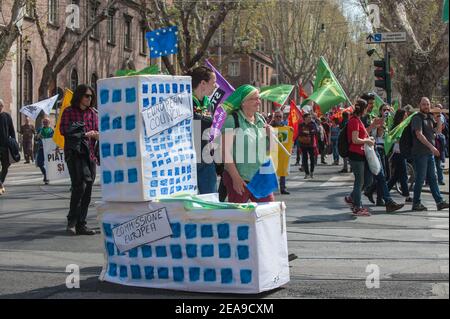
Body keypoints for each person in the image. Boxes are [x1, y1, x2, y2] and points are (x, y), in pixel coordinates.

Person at [221, 85, 274, 203]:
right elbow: (225, 152)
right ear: (243, 102)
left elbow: (267, 151)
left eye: (259, 98)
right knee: (239, 218)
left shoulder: (261, 119)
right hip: (240, 178)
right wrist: (235, 178)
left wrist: (270, 136)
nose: (258, 102)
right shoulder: (232, 120)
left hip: (260, 178)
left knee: (268, 213)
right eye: (254, 99)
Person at [60, 85, 99, 235]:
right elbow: (64, 130)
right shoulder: (69, 112)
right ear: (79, 96)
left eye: (91, 96)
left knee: (88, 188)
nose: (90, 99)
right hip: (75, 155)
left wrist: (97, 135)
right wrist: (85, 134)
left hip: (90, 155)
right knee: (79, 186)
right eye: (87, 96)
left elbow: (99, 131)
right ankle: (72, 221)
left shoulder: (93, 113)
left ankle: (81, 224)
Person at [410, 97, 449, 211]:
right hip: (420, 153)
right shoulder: (417, 118)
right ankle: (416, 203)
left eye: (427, 104)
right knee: (420, 179)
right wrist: (432, 147)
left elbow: (438, 132)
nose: (426, 106)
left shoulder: (430, 117)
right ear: (420, 105)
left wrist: (439, 117)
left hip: (429, 154)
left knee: (433, 178)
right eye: (424, 104)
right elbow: (419, 135)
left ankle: (439, 201)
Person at [187, 66, 218, 195]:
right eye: (213, 82)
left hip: (206, 157)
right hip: (190, 158)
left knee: (210, 198)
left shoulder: (209, 104)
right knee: (189, 201)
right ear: (203, 83)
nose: (215, 86)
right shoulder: (186, 101)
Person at [387, 109, 412, 202]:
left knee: (396, 177)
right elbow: (395, 139)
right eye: (405, 115)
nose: (406, 116)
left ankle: (382, 192)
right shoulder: (397, 127)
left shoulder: (403, 126)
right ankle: (407, 196)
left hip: (401, 153)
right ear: (401, 116)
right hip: (398, 153)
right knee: (403, 175)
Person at [270, 110, 290, 195]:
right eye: (277, 116)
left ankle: (283, 188)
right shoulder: (269, 126)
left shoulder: (285, 127)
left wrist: (291, 131)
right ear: (274, 117)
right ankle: (270, 188)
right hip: (272, 151)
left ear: (282, 118)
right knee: (271, 170)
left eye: (280, 117)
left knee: (282, 168)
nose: (278, 118)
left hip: (282, 151)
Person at [0, 99, 16, 195]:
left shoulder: (7, 116)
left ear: (2, 106)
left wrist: (14, 144)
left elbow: (12, 131)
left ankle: (0, 183)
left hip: (5, 146)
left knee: (5, 166)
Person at [298, 113, 318, 179]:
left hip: (311, 144)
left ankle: (312, 172)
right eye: (308, 117)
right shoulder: (301, 125)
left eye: (310, 117)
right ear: (305, 118)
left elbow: (315, 131)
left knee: (312, 158)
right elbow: (300, 132)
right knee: (304, 159)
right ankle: (307, 173)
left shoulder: (313, 124)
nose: (310, 118)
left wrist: (307, 132)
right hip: (303, 143)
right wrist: (308, 132)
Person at [35, 116, 54, 184]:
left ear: (49, 123)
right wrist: (39, 135)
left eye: (46, 122)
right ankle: (45, 173)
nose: (45, 123)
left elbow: (53, 139)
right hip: (41, 148)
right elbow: (36, 138)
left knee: (48, 164)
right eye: (44, 122)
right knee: (40, 163)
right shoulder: (40, 129)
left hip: (49, 149)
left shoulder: (51, 130)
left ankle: (46, 178)